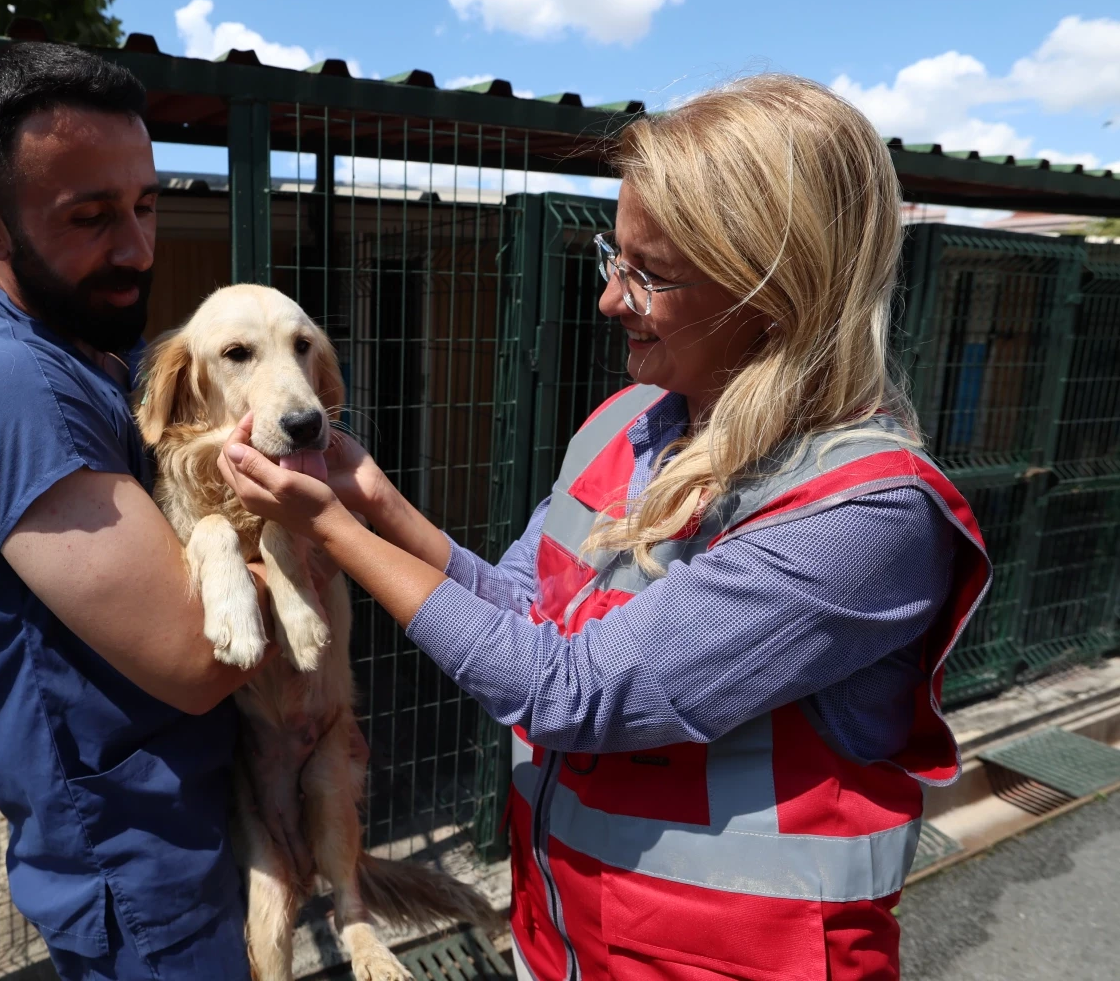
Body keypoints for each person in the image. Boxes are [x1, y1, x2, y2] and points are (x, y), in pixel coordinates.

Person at [217, 74, 991, 981]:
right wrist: (373, 502)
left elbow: (571, 694)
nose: (608, 301)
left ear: (772, 293)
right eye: (610, 257)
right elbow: (519, 607)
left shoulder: (862, 519)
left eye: (647, 275)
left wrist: (336, 536)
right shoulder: (628, 424)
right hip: (569, 940)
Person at [0, 43, 274, 981]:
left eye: (145, 204)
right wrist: (321, 548)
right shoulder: (6, 387)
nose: (137, 248)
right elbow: (196, 656)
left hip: (187, 828)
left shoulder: (100, 351)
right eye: (90, 217)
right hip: (134, 869)